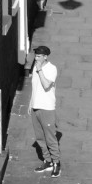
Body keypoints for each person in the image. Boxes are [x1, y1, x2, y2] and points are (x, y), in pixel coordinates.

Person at [29, 44, 60, 176]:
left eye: (39, 56)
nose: (36, 58)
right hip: (35, 107)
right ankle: (47, 161)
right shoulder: (35, 67)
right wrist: (30, 104)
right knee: (40, 138)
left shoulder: (51, 69)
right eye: (35, 56)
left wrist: (40, 70)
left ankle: (56, 163)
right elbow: (34, 87)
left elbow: (46, 85)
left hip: (47, 107)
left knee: (50, 138)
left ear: (45, 57)